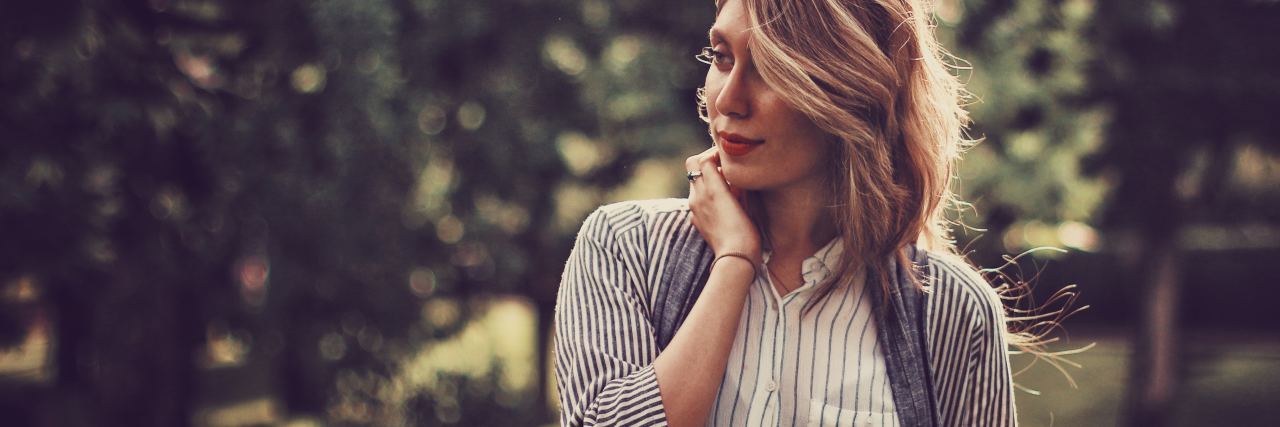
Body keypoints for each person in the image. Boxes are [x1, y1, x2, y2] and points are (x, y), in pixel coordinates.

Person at [554, 0, 1022, 425]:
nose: (727, 100)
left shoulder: (951, 308)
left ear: (852, 89)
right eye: (722, 57)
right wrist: (734, 261)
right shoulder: (625, 247)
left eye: (770, 68)